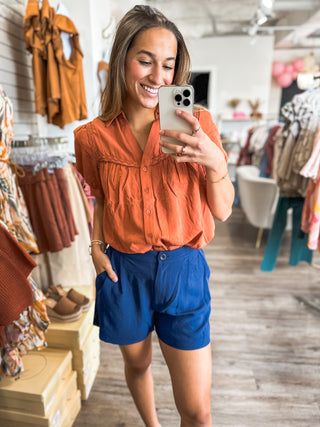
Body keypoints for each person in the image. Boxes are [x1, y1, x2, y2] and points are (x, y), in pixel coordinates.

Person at [74, 4, 234, 426]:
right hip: (124, 270)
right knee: (139, 365)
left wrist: (215, 163)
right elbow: (103, 199)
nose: (158, 77)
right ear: (123, 57)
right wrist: (95, 246)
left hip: (183, 269)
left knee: (198, 413)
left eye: (168, 65)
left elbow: (222, 209)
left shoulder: (196, 122)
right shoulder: (91, 137)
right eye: (145, 60)